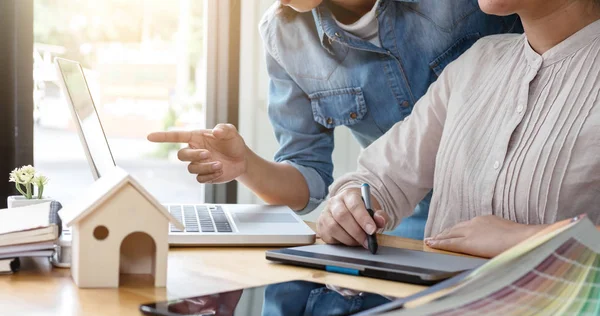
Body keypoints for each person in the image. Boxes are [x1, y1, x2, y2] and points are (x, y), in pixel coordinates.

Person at [148, 0, 522, 240]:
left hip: (521, 213)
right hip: (405, 229)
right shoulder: (284, 34)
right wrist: (245, 165)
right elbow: (307, 179)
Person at [316, 0, 600, 258]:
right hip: (428, 309)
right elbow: (381, 179)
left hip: (549, 312)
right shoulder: (476, 63)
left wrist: (525, 239)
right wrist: (348, 210)